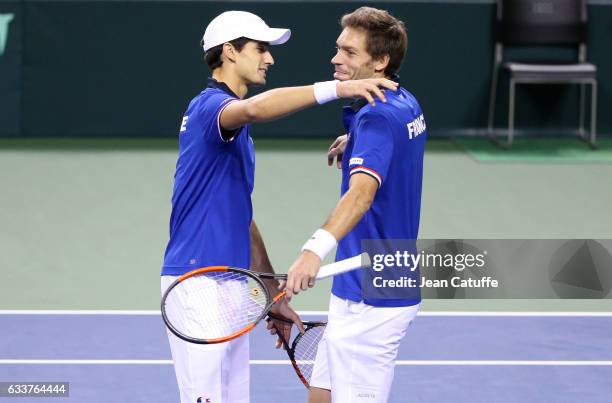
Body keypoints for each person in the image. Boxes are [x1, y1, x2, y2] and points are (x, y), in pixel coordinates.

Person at [160, 10, 398, 403]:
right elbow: (254, 109)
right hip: (197, 282)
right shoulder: (210, 108)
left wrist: (272, 293)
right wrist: (338, 90)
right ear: (230, 53)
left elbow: (242, 216)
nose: (269, 59)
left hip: (232, 280)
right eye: (260, 49)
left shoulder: (236, 132)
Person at [283, 7, 427, 403]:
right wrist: (358, 145)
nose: (335, 58)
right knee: (322, 395)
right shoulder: (403, 101)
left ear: (380, 61)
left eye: (349, 52)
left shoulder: (377, 119)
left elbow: (361, 195)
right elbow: (396, 140)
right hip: (360, 283)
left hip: (374, 299)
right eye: (337, 48)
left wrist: (313, 251)